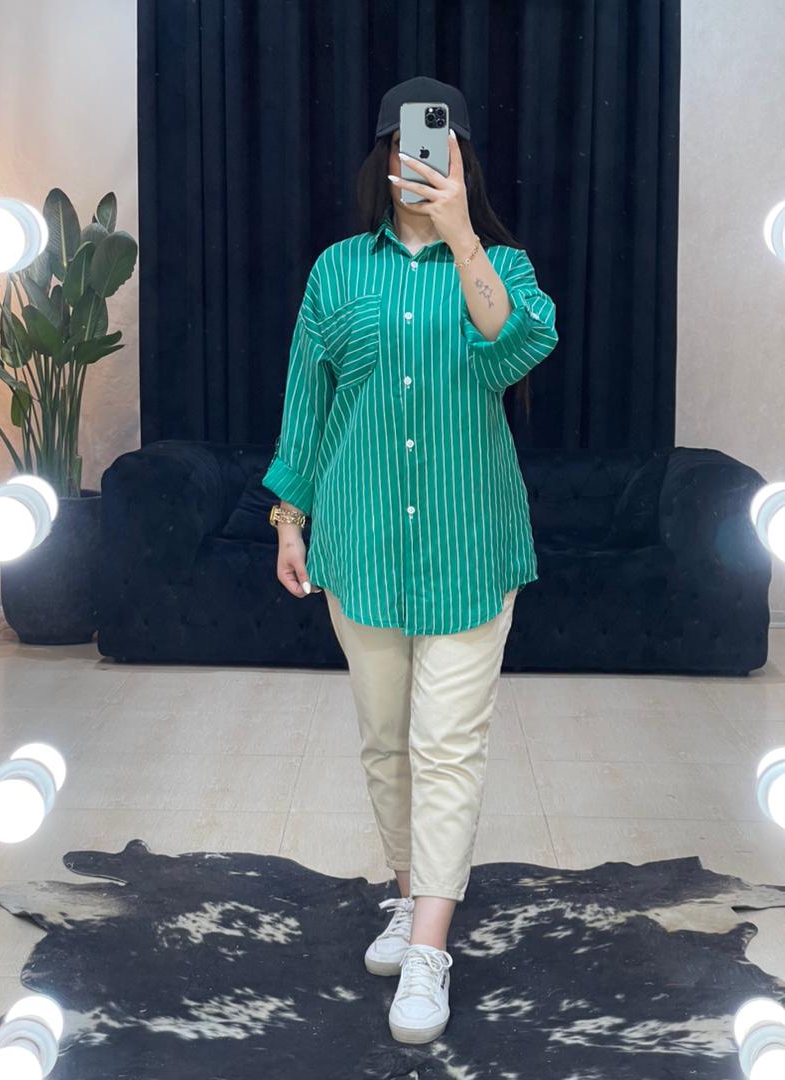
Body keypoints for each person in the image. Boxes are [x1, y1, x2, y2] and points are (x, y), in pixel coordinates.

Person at [263, 76, 559, 1045]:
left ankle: (430, 947)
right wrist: (290, 517)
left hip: (470, 548)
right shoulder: (337, 271)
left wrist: (463, 233)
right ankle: (407, 894)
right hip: (361, 546)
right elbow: (307, 403)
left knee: (447, 747)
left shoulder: (501, 266)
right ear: (381, 159)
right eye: (404, 144)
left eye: (439, 145)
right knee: (386, 743)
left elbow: (516, 346)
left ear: (462, 159)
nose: (420, 160)